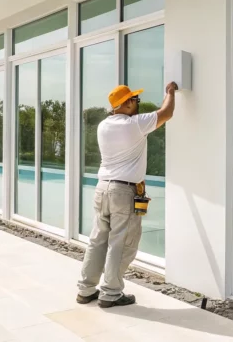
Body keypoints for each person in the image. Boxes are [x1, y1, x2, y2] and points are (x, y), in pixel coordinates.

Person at [76, 81, 177, 308]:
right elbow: (166, 113)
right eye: (135, 100)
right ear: (127, 103)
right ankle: (111, 293)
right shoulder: (134, 124)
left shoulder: (104, 125)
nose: (137, 103)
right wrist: (170, 93)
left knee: (97, 240)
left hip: (102, 188)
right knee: (121, 243)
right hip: (123, 191)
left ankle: (86, 289)